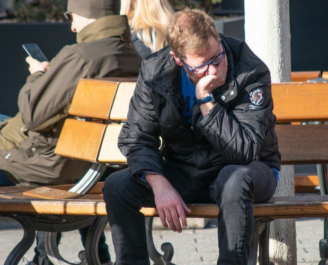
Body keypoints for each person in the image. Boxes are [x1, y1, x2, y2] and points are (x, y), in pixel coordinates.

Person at [103, 9, 281, 265]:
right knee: (117, 186)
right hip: (184, 170)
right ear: (177, 59)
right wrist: (159, 183)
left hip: (249, 171)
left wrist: (206, 99)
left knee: (234, 179)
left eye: (217, 57)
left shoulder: (249, 70)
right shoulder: (155, 71)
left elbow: (245, 151)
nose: (213, 69)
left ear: (217, 38)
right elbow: (137, 138)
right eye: (201, 65)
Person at [0, 0, 142, 264]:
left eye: (72, 16)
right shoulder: (132, 55)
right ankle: (96, 255)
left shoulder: (80, 56)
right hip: (84, 164)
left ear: (88, 16)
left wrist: (37, 76)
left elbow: (32, 115)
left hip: (43, 165)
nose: (73, 26)